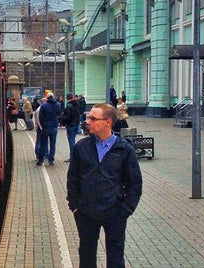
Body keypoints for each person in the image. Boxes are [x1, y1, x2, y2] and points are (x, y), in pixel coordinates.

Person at [66, 103, 143, 268]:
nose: (88, 122)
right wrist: (75, 206)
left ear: (108, 122)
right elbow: (73, 178)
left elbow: (134, 183)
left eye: (93, 118)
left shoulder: (124, 149)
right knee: (86, 254)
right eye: (88, 117)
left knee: (115, 256)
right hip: (86, 212)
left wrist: (125, 210)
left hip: (114, 213)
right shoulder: (82, 147)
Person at [37, 93, 61, 166]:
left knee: (43, 144)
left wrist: (43, 125)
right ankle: (51, 160)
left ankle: (40, 160)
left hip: (46, 127)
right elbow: (59, 114)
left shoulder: (44, 106)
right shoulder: (58, 105)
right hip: (54, 127)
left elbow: (41, 117)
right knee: (53, 144)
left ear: (47, 98)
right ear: (53, 97)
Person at [62, 93, 80, 162]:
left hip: (71, 125)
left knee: (71, 141)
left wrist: (64, 122)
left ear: (67, 98)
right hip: (76, 124)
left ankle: (73, 157)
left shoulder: (69, 106)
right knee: (73, 140)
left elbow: (67, 117)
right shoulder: (77, 104)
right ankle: (75, 156)